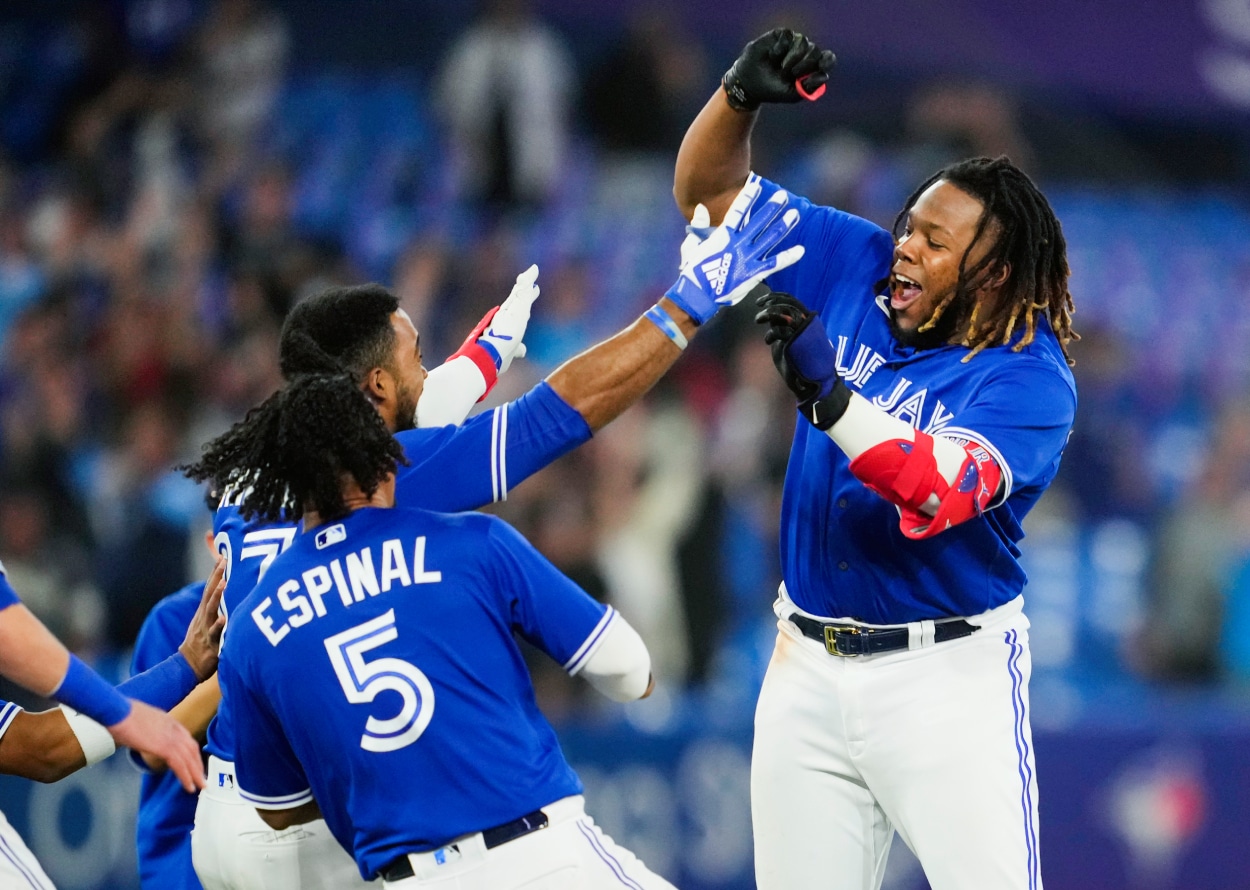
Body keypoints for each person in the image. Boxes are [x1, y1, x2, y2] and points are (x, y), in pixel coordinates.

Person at [184, 182, 803, 890]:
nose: (429, 367)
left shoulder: (271, 466)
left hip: (241, 798)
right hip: (318, 822)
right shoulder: (387, 478)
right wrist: (689, 303)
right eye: (416, 355)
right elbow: (560, 414)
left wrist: (491, 349)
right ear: (374, 392)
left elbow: (429, 399)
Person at [673, 28, 1078, 890]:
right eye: (909, 226)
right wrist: (737, 97)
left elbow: (933, 490)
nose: (905, 248)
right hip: (806, 667)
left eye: (936, 243)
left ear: (996, 274)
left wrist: (831, 400)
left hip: (945, 680)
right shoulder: (852, 259)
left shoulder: (1029, 381)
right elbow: (705, 198)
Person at [189, 363, 676, 888]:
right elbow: (629, 671)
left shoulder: (250, 628)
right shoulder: (473, 541)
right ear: (389, 459)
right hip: (541, 853)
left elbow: (278, 808)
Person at [0, 557, 219, 886]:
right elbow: (41, 748)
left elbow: (42, 747)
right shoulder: (171, 617)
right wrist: (125, 711)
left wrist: (182, 667)